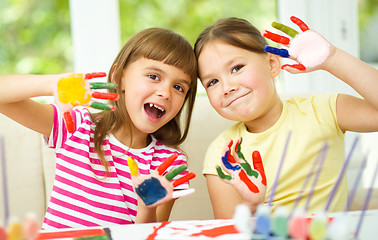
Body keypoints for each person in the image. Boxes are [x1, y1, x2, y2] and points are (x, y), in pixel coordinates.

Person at [0, 27, 198, 229]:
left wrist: (146, 207)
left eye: (179, 87)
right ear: (119, 76)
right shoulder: (77, 125)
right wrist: (52, 83)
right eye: (154, 76)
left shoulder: (169, 163)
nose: (166, 93)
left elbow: (149, 235)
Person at [194, 16, 378, 218]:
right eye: (212, 82)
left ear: (272, 64)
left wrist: (334, 59)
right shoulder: (222, 155)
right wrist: (251, 206)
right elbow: (230, 232)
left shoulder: (323, 110)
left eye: (236, 68)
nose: (227, 87)